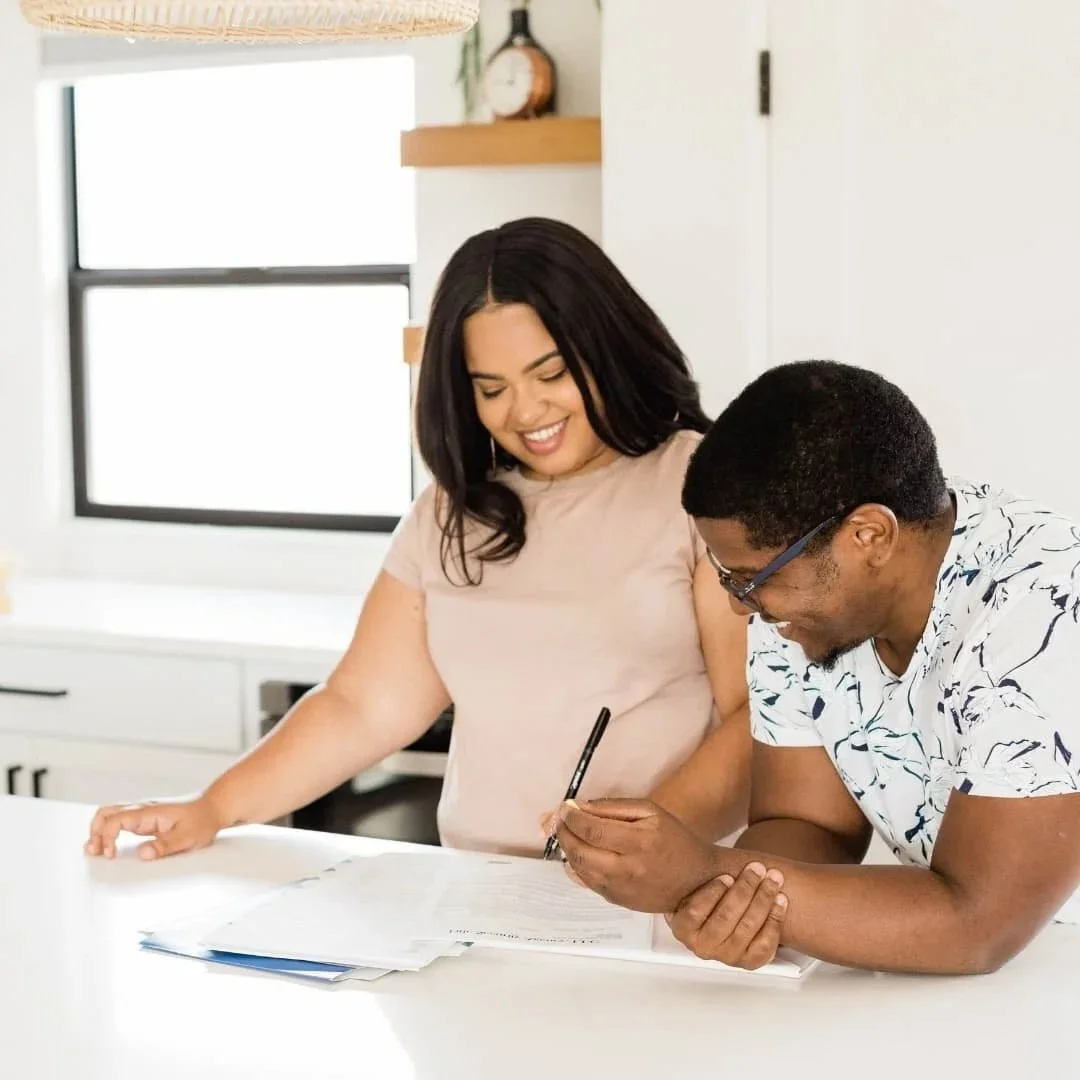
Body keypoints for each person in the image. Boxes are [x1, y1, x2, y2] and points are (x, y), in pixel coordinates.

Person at [84, 217, 752, 862]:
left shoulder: (699, 489)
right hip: (477, 892)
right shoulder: (450, 515)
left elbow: (752, 719)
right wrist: (212, 808)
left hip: (652, 900)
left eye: (550, 375)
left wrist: (647, 842)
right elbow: (361, 707)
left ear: (605, 348)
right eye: (492, 388)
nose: (524, 411)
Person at [553, 359, 1080, 975]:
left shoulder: (1045, 610)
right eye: (729, 577)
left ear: (869, 537)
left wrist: (702, 870)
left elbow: (977, 923)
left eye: (749, 580)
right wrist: (735, 903)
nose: (736, 604)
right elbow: (804, 825)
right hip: (964, 983)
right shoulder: (798, 607)